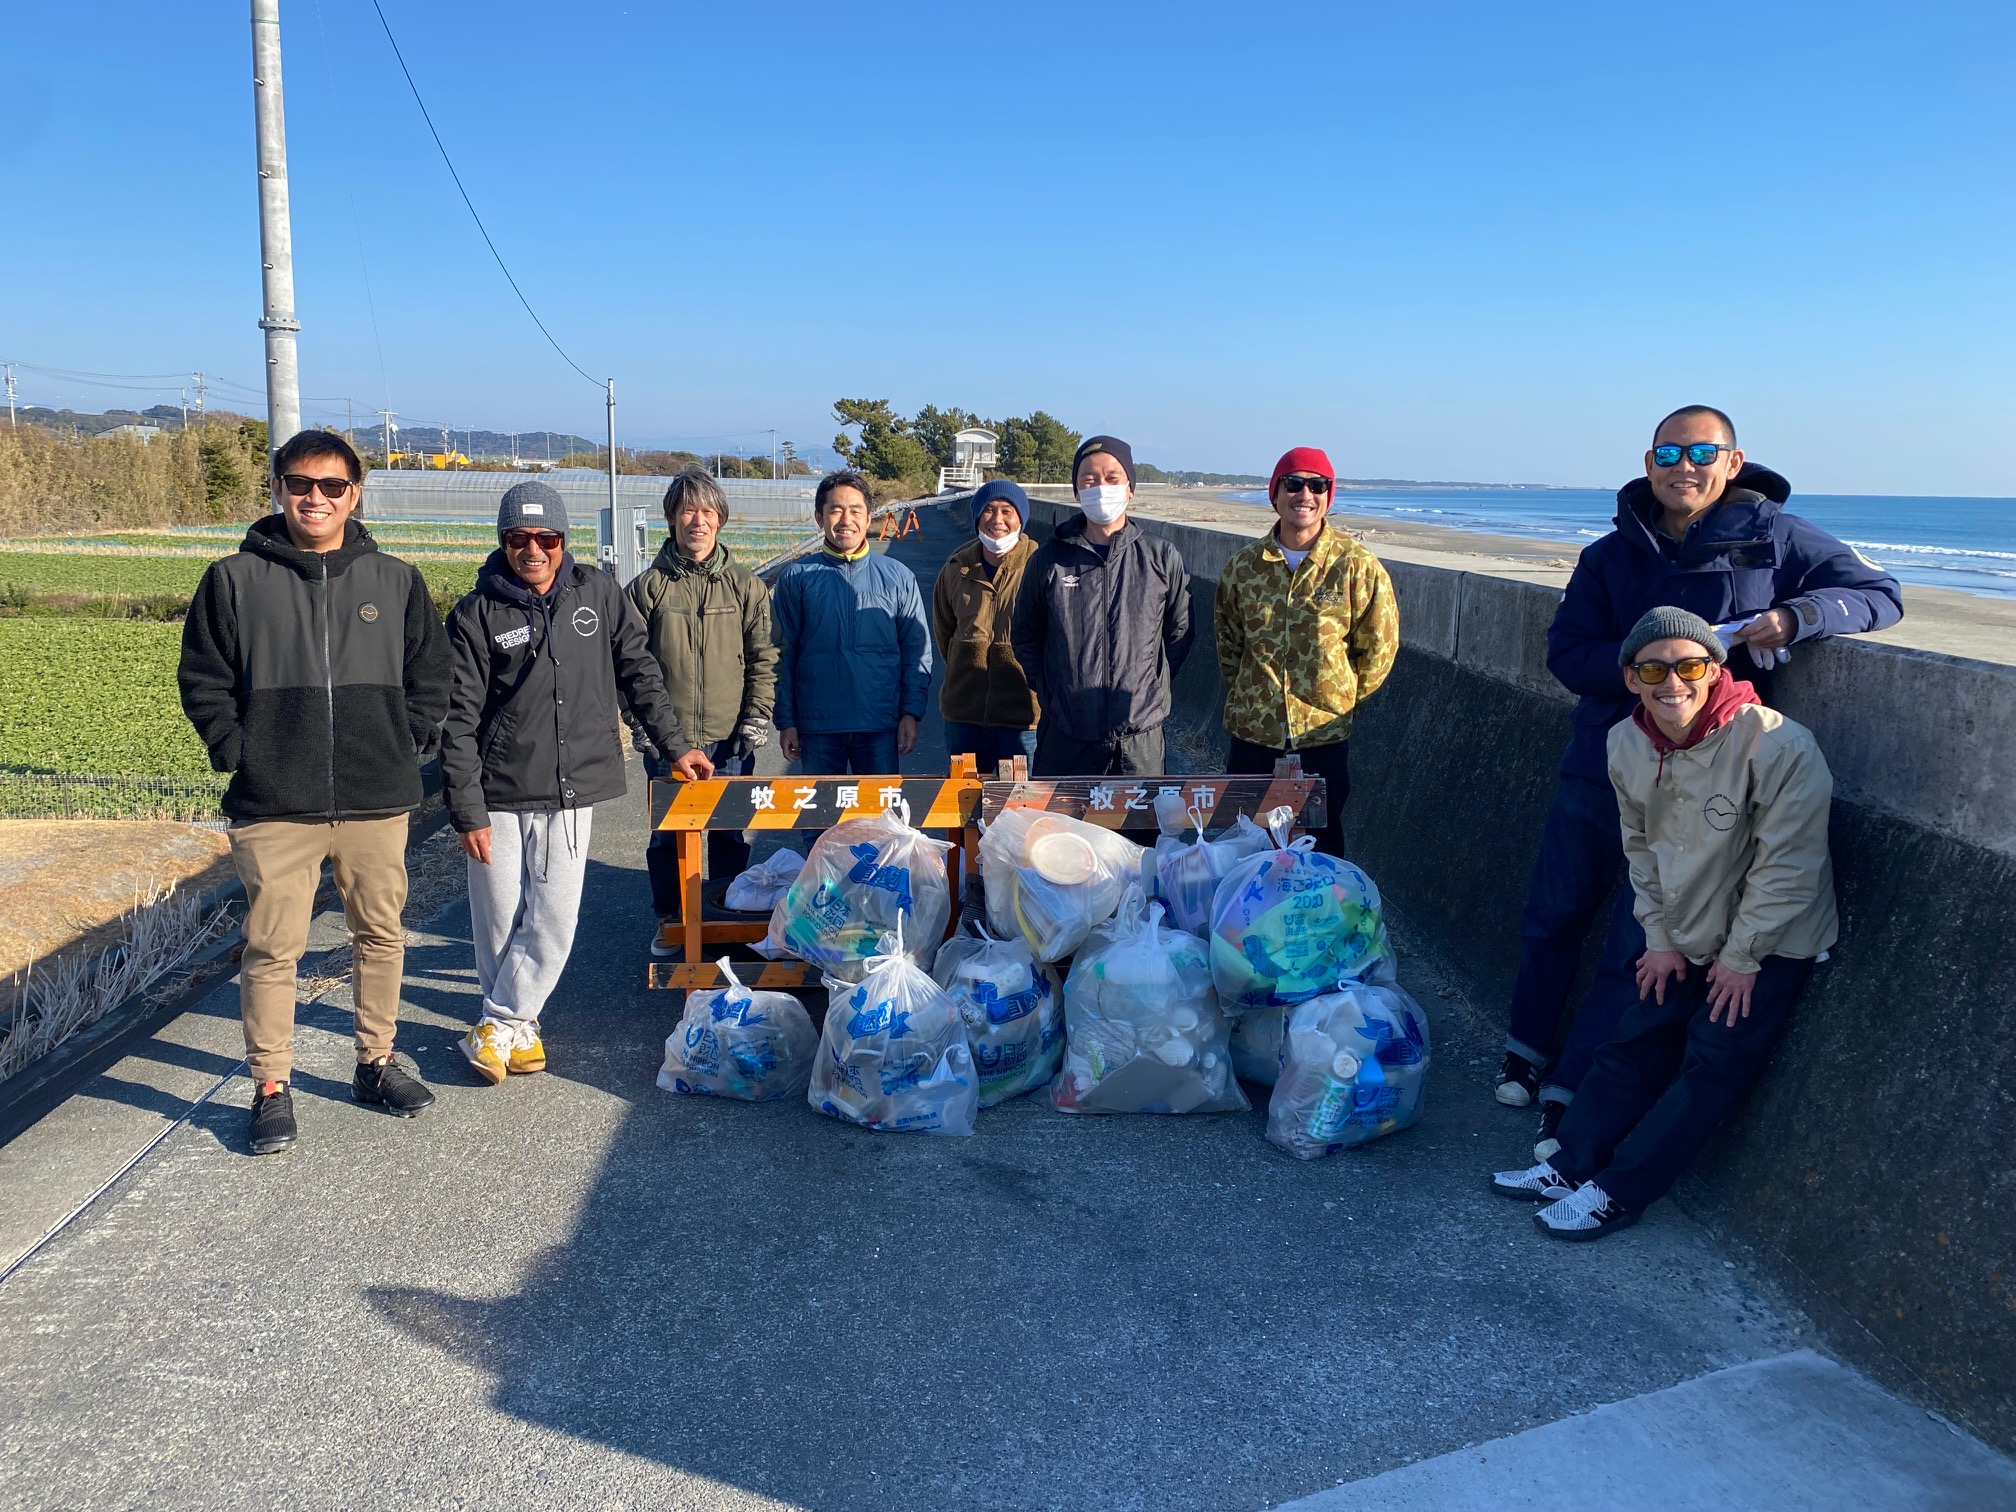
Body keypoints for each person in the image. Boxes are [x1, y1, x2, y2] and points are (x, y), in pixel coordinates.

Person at [1498, 406, 1898, 1156]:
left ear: (1732, 461)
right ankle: (1525, 1048)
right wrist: (1648, 669)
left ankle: (1572, 1090)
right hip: (1605, 761)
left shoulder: (1775, 535)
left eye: (1702, 452)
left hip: (1709, 783)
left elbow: (1882, 595)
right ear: (1649, 463)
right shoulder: (1609, 554)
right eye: (1669, 452)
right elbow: (1566, 654)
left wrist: (1799, 616)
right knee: (1554, 913)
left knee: (1642, 942)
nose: (1685, 466)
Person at [1492, 607, 1837, 1240]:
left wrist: (1742, 958)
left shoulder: (1779, 744)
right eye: (1653, 668)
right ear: (1630, 678)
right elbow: (1641, 849)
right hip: (1686, 926)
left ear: (1714, 669)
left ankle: (1620, 1191)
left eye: (1689, 666)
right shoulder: (1625, 741)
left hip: (1769, 941)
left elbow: (1788, 867)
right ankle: (1571, 1164)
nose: (1671, 682)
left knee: (1711, 1062)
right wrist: (1659, 936)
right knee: (1636, 1035)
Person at [178, 429, 452, 1156]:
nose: (316, 498)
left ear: (355, 495)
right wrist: (240, 752)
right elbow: (202, 679)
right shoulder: (234, 578)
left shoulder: (394, 580)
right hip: (274, 802)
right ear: (277, 489)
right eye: (302, 484)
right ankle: (271, 1085)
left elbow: (433, 674)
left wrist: (409, 739)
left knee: (382, 935)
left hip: (375, 796)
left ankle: (376, 1061)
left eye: (333, 486)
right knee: (272, 949)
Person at [441, 481, 708, 1084]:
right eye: (518, 538)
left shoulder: (600, 595)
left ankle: (502, 1022)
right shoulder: (477, 613)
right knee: (499, 917)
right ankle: (518, 1026)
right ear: (503, 541)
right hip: (499, 791)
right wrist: (467, 809)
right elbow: (456, 719)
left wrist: (676, 746)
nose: (532, 550)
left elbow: (639, 672)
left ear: (564, 540)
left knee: (555, 917)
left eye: (547, 538)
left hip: (573, 785)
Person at [1214, 446, 1398, 857]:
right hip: (1253, 736)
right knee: (1247, 846)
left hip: (1323, 737)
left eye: (1318, 485)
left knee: (1323, 846)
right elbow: (1229, 643)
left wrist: (1344, 701)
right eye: (1293, 484)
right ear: (1275, 494)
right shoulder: (1244, 567)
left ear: (1329, 496)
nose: (1305, 494)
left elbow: (1379, 646)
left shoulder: (1356, 565)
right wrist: (1255, 696)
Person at [627, 468, 778, 944]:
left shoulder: (745, 586)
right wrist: (642, 723)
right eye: (688, 510)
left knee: (730, 831)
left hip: (729, 735)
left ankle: (727, 918)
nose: (698, 521)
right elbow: (628, 662)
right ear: (671, 518)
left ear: (721, 519)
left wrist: (757, 715)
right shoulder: (648, 587)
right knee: (667, 835)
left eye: (708, 511)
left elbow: (764, 657)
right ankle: (670, 920)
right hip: (667, 739)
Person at [1011, 434, 1193, 776]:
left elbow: (1179, 632)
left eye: (1112, 478)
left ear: (1129, 488)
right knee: (1061, 830)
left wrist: (1150, 686)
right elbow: (1025, 635)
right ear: (1077, 491)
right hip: (1065, 737)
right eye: (1089, 480)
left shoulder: (1161, 557)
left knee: (1138, 829)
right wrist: (1054, 690)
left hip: (1140, 741)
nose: (1101, 488)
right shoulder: (1049, 560)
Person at [772, 470, 931, 777]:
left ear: (869, 516)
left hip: (880, 722)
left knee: (879, 822)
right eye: (835, 510)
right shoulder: (796, 578)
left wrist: (911, 713)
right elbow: (781, 655)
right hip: (817, 724)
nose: (846, 520)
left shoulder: (898, 576)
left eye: (855, 510)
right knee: (819, 822)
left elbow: (916, 651)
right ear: (820, 518)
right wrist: (787, 721)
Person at [932, 478, 1041, 771]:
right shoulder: (956, 568)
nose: (998, 520)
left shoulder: (1040, 566)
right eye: (989, 510)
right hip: (963, 713)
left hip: (1022, 717)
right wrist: (963, 663)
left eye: (1007, 510)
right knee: (963, 804)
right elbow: (944, 631)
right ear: (977, 516)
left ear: (1021, 517)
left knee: (1021, 806)